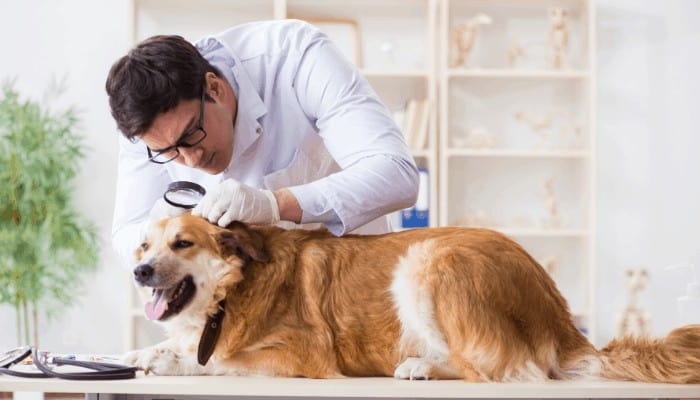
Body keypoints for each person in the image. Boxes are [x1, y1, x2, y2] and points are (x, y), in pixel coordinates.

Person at [106, 19, 419, 267]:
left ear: (214, 88)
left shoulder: (294, 56)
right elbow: (125, 235)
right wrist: (161, 228)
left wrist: (276, 204)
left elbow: (396, 174)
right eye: (169, 151)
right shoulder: (143, 122)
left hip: (349, 283)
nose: (190, 160)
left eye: (191, 135)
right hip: (240, 312)